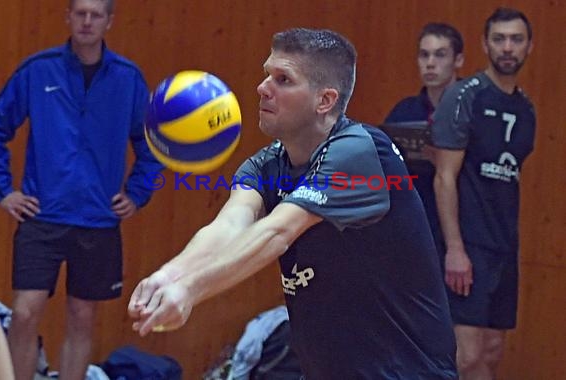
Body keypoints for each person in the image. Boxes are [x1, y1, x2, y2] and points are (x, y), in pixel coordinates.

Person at [129, 28, 458, 379]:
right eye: (267, 74)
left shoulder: (359, 152)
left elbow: (277, 232)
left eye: (283, 79)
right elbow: (228, 226)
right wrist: (171, 276)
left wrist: (192, 289)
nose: (262, 87)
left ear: (325, 100)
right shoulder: (268, 162)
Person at [0, 1, 162, 379]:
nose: (87, 21)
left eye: (96, 15)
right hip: (42, 216)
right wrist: (3, 190)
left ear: (109, 22)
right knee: (24, 312)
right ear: (68, 17)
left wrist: (138, 192)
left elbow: (152, 142)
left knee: (82, 317)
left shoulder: (128, 78)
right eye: (80, 13)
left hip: (97, 219)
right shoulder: (38, 70)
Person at [432, 8, 535, 380]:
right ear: (485, 45)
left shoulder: (525, 109)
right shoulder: (464, 97)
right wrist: (455, 249)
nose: (508, 47)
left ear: (528, 46)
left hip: (505, 247)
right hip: (468, 246)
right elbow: (444, 178)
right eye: (500, 39)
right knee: (465, 355)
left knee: (491, 353)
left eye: (516, 39)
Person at [384, 22, 464, 247]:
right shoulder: (404, 112)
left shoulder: (473, 110)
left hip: (466, 229)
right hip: (414, 228)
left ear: (458, 60)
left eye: (440, 55)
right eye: (424, 55)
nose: (430, 63)